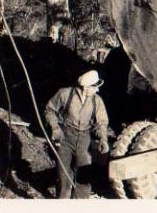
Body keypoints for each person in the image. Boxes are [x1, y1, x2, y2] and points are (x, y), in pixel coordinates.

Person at [44, 70, 109, 199]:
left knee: (84, 176)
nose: (97, 90)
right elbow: (49, 110)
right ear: (86, 87)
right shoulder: (65, 94)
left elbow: (101, 122)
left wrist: (103, 139)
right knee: (63, 176)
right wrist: (55, 128)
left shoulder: (97, 101)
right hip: (65, 138)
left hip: (84, 139)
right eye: (95, 87)